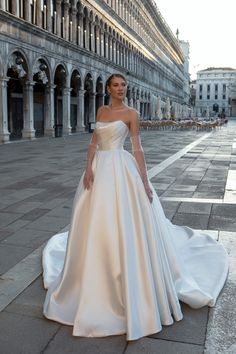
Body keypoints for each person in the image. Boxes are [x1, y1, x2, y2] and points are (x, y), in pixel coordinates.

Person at [43, 73, 228, 341]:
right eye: (115, 86)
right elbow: (94, 141)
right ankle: (92, 274)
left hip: (122, 169)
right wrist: (87, 169)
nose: (120, 89)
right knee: (95, 221)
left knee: (122, 221)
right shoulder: (102, 110)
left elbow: (137, 147)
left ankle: (124, 276)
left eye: (123, 85)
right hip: (99, 169)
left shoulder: (131, 113)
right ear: (108, 88)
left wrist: (144, 180)